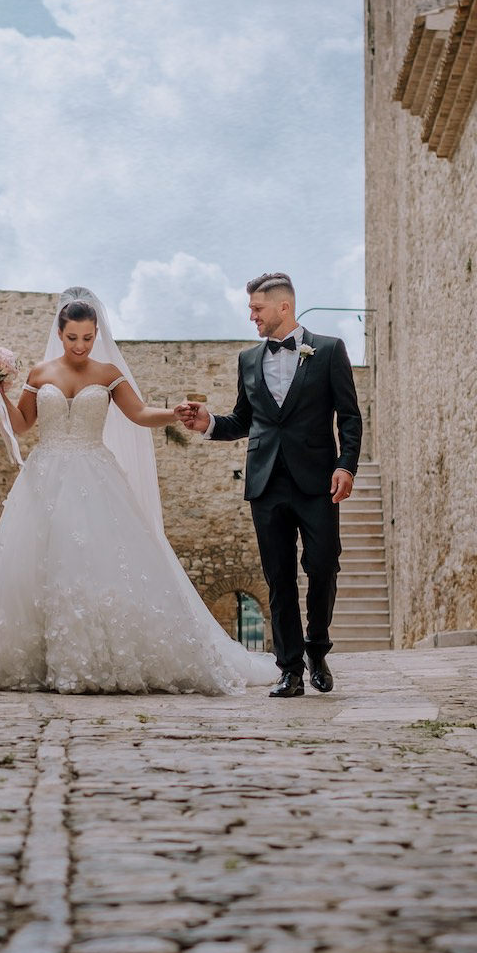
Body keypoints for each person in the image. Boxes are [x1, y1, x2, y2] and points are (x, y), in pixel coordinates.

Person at [0, 289, 276, 695]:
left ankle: (98, 655)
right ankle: (41, 659)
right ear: (59, 334)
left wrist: (174, 413)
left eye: (87, 337)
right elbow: (23, 424)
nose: (80, 345)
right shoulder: (40, 374)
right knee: (41, 563)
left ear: (97, 333)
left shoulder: (107, 372)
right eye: (72, 337)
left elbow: (139, 413)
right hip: (45, 478)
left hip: (94, 475)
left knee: (97, 562)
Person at [175, 272, 362, 699]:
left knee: (323, 565)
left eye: (257, 309)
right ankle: (290, 669)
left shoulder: (329, 350)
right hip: (265, 482)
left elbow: (350, 416)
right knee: (278, 577)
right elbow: (244, 419)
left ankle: (317, 648)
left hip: (317, 480)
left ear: (283, 307)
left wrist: (346, 466)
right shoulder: (247, 359)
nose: (252, 317)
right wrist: (208, 423)